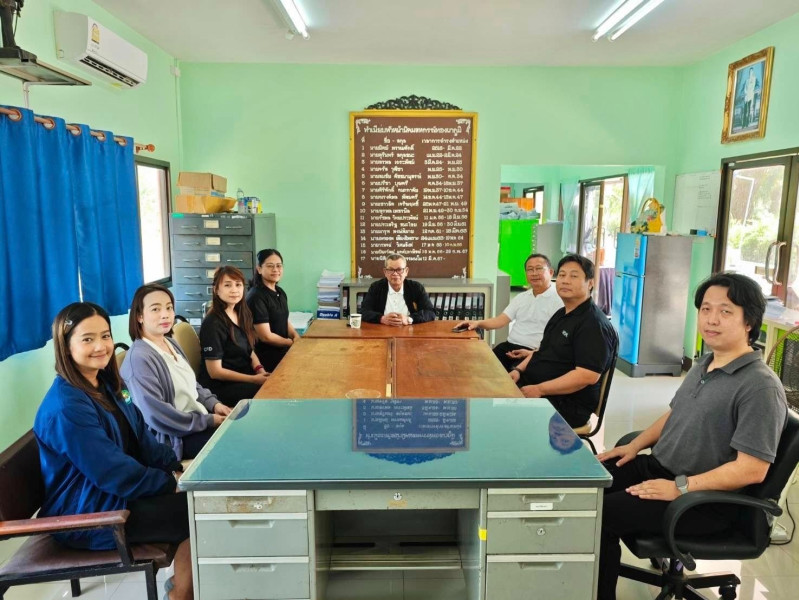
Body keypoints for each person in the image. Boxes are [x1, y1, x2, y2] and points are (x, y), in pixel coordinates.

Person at [595, 273, 788, 600]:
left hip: (701, 501)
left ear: (749, 322)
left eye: (725, 311)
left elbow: (752, 470)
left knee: (599, 517)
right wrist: (634, 445)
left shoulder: (760, 387)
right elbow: (675, 413)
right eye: (706, 309)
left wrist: (679, 488)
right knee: (583, 489)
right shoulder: (705, 363)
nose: (711, 319)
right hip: (658, 470)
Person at [34, 302, 193, 600]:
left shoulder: (107, 384)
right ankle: (180, 594)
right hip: (89, 512)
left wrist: (174, 467)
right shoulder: (67, 406)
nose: (101, 346)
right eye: (87, 339)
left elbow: (141, 435)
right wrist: (168, 484)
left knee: (197, 502)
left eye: (105, 336)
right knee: (194, 513)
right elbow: (112, 471)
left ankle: (181, 586)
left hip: (115, 495)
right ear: (66, 347)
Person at [120, 284, 232, 461]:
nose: (165, 314)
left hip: (197, 421)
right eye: (155, 309)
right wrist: (210, 420)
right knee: (235, 442)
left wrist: (214, 405)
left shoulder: (170, 342)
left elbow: (191, 384)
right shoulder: (139, 359)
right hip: (174, 438)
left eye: (169, 308)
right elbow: (158, 417)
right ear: (139, 316)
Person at [509, 254, 616, 428]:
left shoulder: (593, 324)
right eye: (562, 275)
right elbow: (542, 350)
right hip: (539, 388)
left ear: (590, 283)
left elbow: (586, 376)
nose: (565, 281)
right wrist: (518, 370)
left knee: (496, 414)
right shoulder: (562, 313)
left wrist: (539, 389)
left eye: (574, 276)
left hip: (566, 404)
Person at [455, 253, 562, 370]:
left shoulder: (560, 299)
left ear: (551, 272)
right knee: (480, 367)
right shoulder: (522, 297)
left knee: (511, 375)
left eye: (539, 268)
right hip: (510, 347)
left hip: (535, 352)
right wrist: (477, 323)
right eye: (530, 270)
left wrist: (534, 353)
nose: (534, 273)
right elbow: (500, 320)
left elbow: (557, 339)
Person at [198, 266, 269, 406]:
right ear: (216, 290)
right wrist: (253, 379)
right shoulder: (213, 323)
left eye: (238, 284)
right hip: (221, 386)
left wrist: (260, 370)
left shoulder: (241, 313)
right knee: (271, 393)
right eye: (227, 285)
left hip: (244, 376)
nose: (234, 290)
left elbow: (249, 350)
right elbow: (215, 372)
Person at [246, 249, 300, 372]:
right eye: (270, 266)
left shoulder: (280, 292)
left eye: (279, 266)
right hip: (266, 359)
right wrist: (291, 343)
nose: (275, 269)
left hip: (284, 352)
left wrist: (295, 336)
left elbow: (284, 320)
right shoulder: (256, 296)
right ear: (259, 269)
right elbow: (266, 336)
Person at [361, 253, 435, 326]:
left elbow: (430, 312)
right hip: (382, 329)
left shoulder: (416, 288)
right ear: (385, 272)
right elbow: (364, 311)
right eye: (391, 270)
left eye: (399, 270)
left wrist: (409, 319)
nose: (395, 274)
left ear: (406, 271)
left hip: (410, 329)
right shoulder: (376, 287)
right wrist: (381, 319)